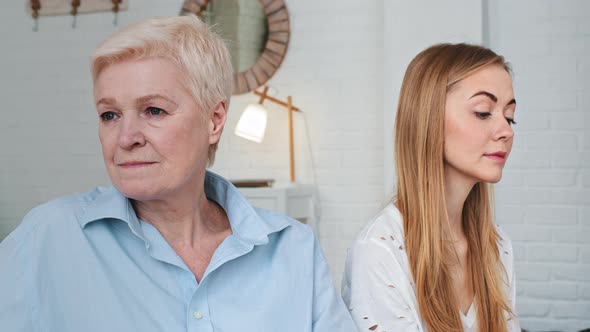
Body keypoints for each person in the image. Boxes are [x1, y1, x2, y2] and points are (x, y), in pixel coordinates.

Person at [0, 16, 356, 332]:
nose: (126, 138)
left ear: (214, 120)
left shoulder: (293, 249)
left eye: (153, 110)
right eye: (109, 115)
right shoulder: (48, 240)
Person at [342, 43, 521, 332]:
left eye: (509, 116)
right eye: (484, 112)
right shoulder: (380, 252)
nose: (507, 131)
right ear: (430, 120)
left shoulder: (497, 246)